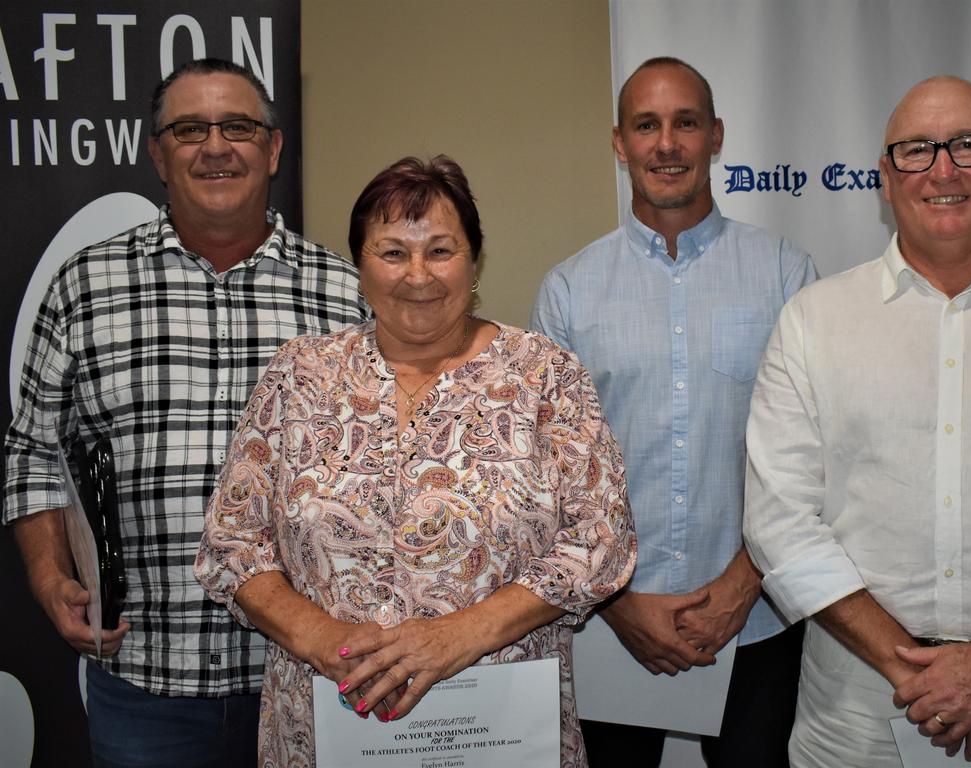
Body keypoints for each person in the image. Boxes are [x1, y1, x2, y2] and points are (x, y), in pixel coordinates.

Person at [194, 155, 637, 767]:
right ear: (359, 265)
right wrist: (323, 640)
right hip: (329, 720)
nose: (418, 275)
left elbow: (600, 542)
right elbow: (233, 542)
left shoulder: (544, 375)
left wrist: (459, 635)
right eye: (393, 252)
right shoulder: (298, 376)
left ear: (474, 260)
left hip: (500, 730)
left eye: (440, 250)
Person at [3, 58, 369, 767]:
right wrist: (50, 578)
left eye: (237, 126)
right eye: (188, 129)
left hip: (305, 679)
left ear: (273, 147)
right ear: (156, 154)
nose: (215, 146)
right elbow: (33, 453)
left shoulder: (343, 297)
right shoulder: (86, 287)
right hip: (145, 687)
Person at [531, 56, 815, 767]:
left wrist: (742, 586)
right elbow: (548, 476)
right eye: (646, 125)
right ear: (619, 142)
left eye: (686, 122)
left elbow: (818, 454)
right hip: (613, 627)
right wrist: (618, 600)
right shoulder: (567, 292)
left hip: (757, 622)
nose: (667, 144)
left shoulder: (787, 274)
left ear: (716, 136)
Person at [743, 75, 971, 766]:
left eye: (969, 145)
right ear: (885, 180)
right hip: (857, 713)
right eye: (916, 151)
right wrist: (911, 673)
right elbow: (778, 520)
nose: (944, 169)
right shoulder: (814, 321)